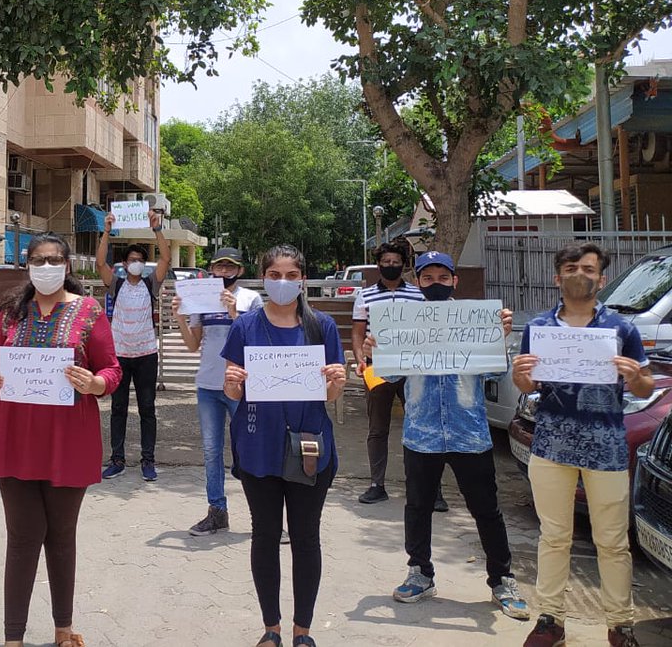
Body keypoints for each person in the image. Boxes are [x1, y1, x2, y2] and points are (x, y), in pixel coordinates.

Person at [366, 250, 529, 620]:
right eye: (427, 278)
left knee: (486, 510)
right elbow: (388, 378)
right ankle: (420, 573)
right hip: (421, 434)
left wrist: (498, 338)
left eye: (442, 277)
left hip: (468, 433)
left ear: (454, 281)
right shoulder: (404, 325)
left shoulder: (474, 321)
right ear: (418, 282)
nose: (435, 283)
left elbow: (494, 375)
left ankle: (502, 579)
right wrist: (375, 351)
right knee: (417, 507)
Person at [0, 232, 121, 647]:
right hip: (16, 438)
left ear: (67, 266)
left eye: (53, 260)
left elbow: (111, 369)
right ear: (27, 265)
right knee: (23, 538)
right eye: (38, 260)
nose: (46, 268)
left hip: (69, 440)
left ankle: (63, 628)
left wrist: (95, 383)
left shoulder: (90, 312)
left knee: (61, 537)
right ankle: (13, 638)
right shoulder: (10, 313)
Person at [513, 243, 653, 647]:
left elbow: (642, 385)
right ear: (558, 277)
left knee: (612, 540)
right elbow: (527, 385)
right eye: (572, 267)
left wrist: (635, 375)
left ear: (601, 279)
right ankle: (550, 620)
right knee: (554, 536)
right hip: (551, 447)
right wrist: (521, 376)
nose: (580, 274)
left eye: (589, 269)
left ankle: (620, 624)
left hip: (606, 447)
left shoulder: (621, 330)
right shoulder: (540, 329)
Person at [221, 245, 347, 647]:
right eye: (274, 275)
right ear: (263, 278)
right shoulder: (245, 327)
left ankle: (303, 632)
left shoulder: (321, 326)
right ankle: (271, 628)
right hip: (258, 445)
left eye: (291, 275)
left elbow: (328, 395)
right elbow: (235, 391)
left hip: (309, 447)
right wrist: (231, 384)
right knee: (264, 535)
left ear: (303, 280)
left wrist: (338, 382)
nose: (282, 282)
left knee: (306, 537)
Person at [351, 240, 446, 511]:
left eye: (396, 262)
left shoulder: (419, 295)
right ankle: (376, 485)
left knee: (421, 428)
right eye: (386, 262)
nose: (391, 266)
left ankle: (431, 490)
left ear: (404, 265)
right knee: (377, 429)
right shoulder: (365, 295)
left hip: (414, 370)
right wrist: (360, 360)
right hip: (378, 368)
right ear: (378, 264)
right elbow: (358, 332)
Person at [174, 246, 263, 536]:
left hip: (241, 386)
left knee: (249, 451)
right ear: (211, 269)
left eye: (230, 267)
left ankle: (263, 516)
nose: (224, 272)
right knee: (212, 452)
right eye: (219, 267)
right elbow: (191, 344)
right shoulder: (201, 297)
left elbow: (258, 343)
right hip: (208, 386)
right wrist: (178, 317)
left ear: (240, 270)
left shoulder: (251, 299)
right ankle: (217, 511)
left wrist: (234, 313)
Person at [96, 208, 170, 481]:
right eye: (132, 260)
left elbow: (166, 257)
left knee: (147, 409)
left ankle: (148, 461)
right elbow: (100, 263)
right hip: (119, 356)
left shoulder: (151, 284)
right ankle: (117, 459)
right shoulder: (116, 285)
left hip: (147, 356)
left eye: (140, 260)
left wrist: (157, 228)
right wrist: (106, 231)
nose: (136, 263)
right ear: (125, 265)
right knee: (118, 408)